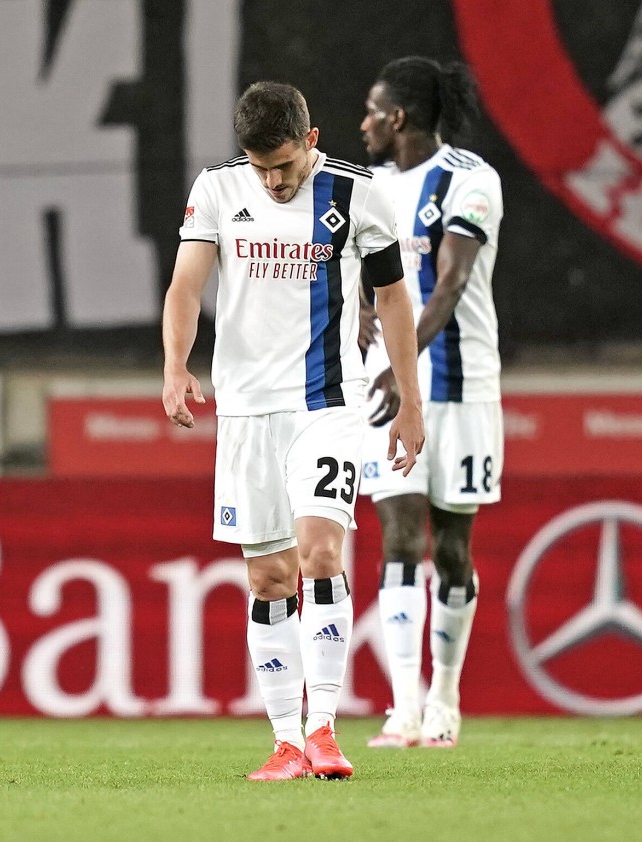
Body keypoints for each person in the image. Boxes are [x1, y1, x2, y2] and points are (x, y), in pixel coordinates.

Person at [162, 82, 425, 781]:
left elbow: (393, 297)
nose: (272, 182)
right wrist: (175, 365)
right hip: (246, 411)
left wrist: (410, 400)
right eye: (260, 168)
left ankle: (324, 730)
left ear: (311, 141)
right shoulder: (218, 190)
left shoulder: (359, 194)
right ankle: (284, 742)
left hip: (326, 403)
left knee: (319, 552)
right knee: (269, 574)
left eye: (282, 165)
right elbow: (187, 285)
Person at [357, 57, 504, 749]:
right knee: (398, 537)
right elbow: (362, 276)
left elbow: (449, 283)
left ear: (399, 118)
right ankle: (403, 706)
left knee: (450, 549)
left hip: (459, 386)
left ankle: (445, 698)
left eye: (371, 112)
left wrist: (402, 364)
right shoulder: (366, 189)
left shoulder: (471, 180)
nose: (362, 125)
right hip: (383, 386)